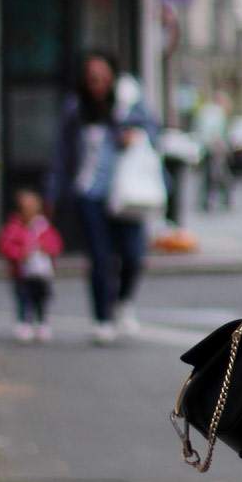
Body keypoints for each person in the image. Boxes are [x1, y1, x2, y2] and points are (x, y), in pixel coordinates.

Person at [46, 51, 158, 344]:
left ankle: (123, 302)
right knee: (99, 257)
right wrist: (54, 192)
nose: (97, 82)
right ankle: (102, 317)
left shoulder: (128, 104)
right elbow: (62, 153)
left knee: (132, 256)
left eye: (102, 76)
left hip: (125, 195)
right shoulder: (75, 109)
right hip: (90, 194)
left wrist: (132, 134)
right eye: (91, 77)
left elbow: (153, 131)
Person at [0, 188, 62, 341]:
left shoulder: (44, 226)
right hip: (23, 272)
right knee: (23, 298)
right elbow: (5, 245)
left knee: (41, 298)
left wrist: (46, 248)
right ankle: (23, 323)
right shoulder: (14, 227)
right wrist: (20, 254)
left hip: (42, 272)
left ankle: (42, 323)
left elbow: (56, 243)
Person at [194, 89, 233, 210]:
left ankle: (206, 201)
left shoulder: (206, 111)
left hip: (206, 148)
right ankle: (222, 200)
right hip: (215, 149)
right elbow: (216, 133)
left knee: (209, 175)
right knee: (218, 175)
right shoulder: (217, 113)